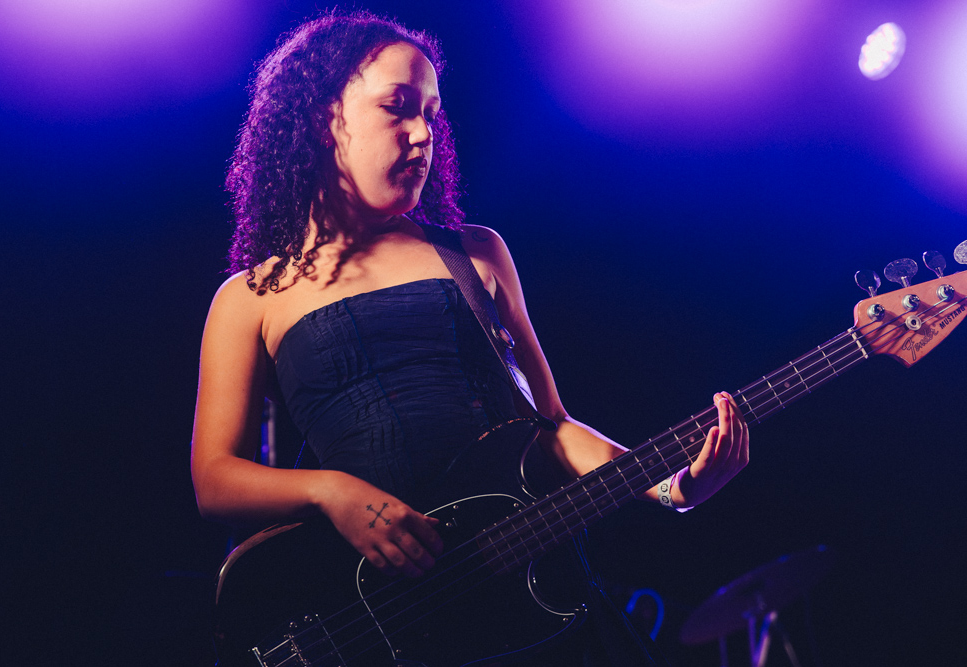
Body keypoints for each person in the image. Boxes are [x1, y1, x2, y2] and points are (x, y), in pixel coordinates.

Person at [191, 10, 749, 666]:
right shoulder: (249, 296)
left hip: (532, 600)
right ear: (321, 119)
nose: (423, 132)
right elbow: (215, 477)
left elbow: (553, 427)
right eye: (398, 108)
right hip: (387, 621)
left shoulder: (476, 255)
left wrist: (672, 485)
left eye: (431, 113)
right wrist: (329, 490)